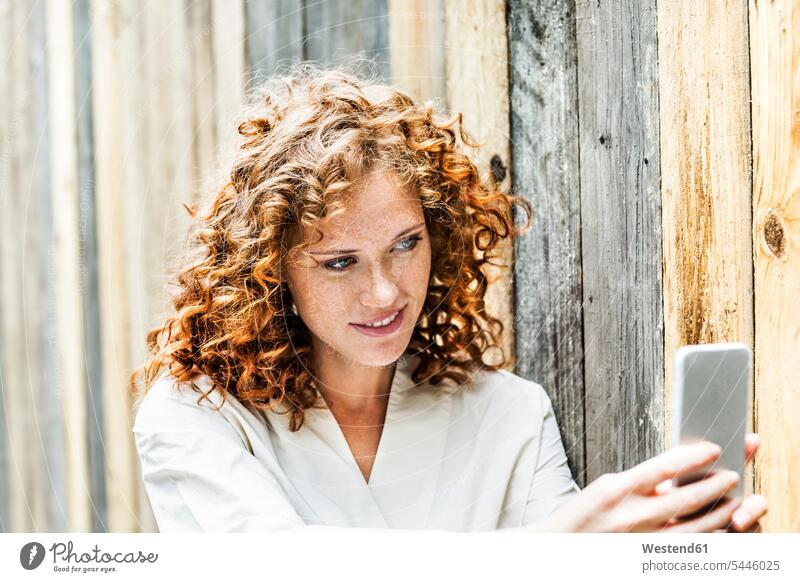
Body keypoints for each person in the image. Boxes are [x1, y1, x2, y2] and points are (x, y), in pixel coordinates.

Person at [130, 63, 767, 533]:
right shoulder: (197, 419)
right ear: (272, 271)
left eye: (406, 244)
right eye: (340, 261)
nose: (383, 291)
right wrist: (550, 554)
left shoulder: (509, 416)